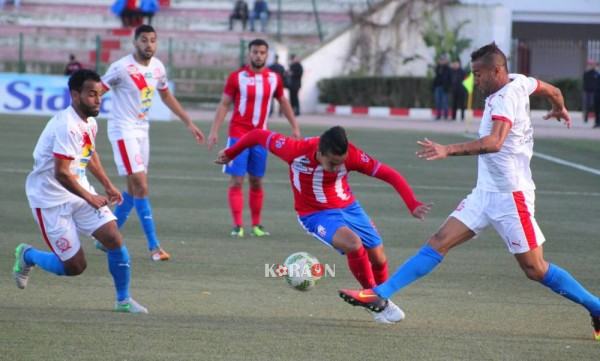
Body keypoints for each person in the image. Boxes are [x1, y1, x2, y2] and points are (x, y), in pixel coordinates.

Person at [339, 42, 600, 341]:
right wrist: (559, 106)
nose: (476, 80)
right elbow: (551, 89)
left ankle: (596, 306)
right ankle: (379, 294)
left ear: (497, 70)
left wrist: (447, 149)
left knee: (535, 268)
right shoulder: (519, 80)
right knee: (438, 241)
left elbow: (494, 142)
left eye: (479, 74)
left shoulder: (504, 99)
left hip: (511, 197)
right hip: (485, 192)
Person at [215, 126, 432, 323]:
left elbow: (389, 174)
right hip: (315, 214)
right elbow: (257, 135)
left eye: (342, 163)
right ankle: (373, 299)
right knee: (353, 244)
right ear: (319, 152)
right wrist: (230, 154)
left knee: (378, 255)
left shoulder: (353, 155)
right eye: (333, 163)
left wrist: (412, 203)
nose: (338, 168)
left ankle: (382, 299)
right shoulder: (294, 150)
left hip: (349, 208)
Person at [12, 69, 147, 314]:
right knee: (74, 266)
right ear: (75, 95)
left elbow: (89, 154)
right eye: (92, 95)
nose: (98, 100)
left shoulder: (90, 122)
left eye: (100, 95)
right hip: (50, 199)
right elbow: (61, 173)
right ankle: (28, 255)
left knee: (113, 237)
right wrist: (91, 197)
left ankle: (123, 300)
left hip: (78, 190)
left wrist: (106, 184)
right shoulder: (66, 125)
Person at [99, 25, 205, 261]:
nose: (149, 45)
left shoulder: (158, 67)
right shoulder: (121, 68)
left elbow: (166, 95)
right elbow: (98, 90)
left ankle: (106, 238)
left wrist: (188, 121)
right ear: (135, 42)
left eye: (153, 41)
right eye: (144, 40)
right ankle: (154, 247)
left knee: (131, 190)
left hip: (142, 130)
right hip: (122, 130)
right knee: (142, 187)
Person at [208, 38, 300, 238]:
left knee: (257, 181)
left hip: (261, 137)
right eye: (255, 52)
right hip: (238, 136)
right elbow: (224, 104)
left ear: (266, 55)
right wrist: (214, 130)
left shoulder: (274, 78)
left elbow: (283, 101)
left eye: (262, 52)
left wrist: (294, 126)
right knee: (237, 181)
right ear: (249, 54)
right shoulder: (237, 77)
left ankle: (257, 225)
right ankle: (237, 226)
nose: (258, 55)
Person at [432, 54, 451, 120]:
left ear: (446, 61)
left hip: (445, 88)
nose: (442, 61)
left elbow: (449, 79)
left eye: (443, 60)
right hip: (438, 87)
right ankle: (438, 115)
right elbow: (436, 78)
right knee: (438, 102)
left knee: (445, 102)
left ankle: (445, 115)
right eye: (441, 60)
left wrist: (448, 87)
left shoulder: (448, 69)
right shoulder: (437, 68)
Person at [582, 59, 597, 124]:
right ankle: (586, 117)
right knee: (586, 105)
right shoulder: (586, 73)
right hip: (587, 91)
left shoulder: (596, 73)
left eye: (592, 64)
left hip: (594, 92)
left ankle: (596, 118)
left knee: (593, 104)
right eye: (590, 64)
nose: (591, 66)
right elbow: (584, 81)